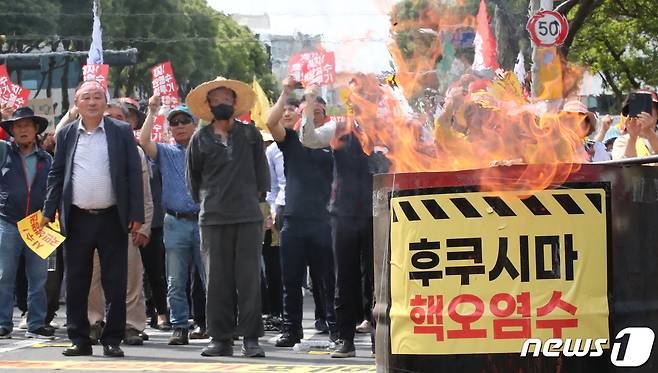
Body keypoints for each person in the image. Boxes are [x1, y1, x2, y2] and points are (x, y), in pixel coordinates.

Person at [40, 80, 145, 358]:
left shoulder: (121, 131)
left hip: (113, 217)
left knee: (115, 281)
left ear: (105, 102)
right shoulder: (66, 135)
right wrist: (48, 210)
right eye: (86, 97)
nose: (92, 102)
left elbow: (133, 174)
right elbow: (57, 174)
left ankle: (113, 339)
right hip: (77, 219)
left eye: (98, 97)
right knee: (76, 281)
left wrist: (136, 215)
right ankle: (79, 338)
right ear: (77, 104)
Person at [300, 84, 390, 358]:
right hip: (343, 213)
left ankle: (381, 342)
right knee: (345, 279)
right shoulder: (339, 127)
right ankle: (345, 340)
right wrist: (309, 103)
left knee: (379, 282)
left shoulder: (389, 129)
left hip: (378, 214)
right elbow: (309, 139)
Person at [185, 77, 268, 357]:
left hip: (247, 216)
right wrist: (210, 202)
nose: (221, 103)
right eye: (216, 99)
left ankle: (251, 339)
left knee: (248, 280)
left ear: (235, 102)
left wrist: (256, 205)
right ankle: (220, 339)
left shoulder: (251, 134)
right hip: (213, 218)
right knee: (217, 280)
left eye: (226, 98)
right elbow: (192, 180)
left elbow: (262, 177)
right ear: (209, 105)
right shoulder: (200, 137)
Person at [266, 77, 337, 348]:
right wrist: (286, 92)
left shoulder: (332, 143)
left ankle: (335, 327)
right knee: (291, 280)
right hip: (293, 220)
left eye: (317, 112)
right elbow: (271, 123)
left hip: (322, 220)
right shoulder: (291, 141)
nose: (312, 115)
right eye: (307, 111)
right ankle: (291, 330)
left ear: (324, 116)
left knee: (327, 280)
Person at [85, 100, 154, 346]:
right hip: (93, 222)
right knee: (92, 277)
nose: (113, 121)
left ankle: (132, 325)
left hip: (126, 224)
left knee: (131, 278)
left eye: (118, 117)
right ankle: (94, 322)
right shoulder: (89, 144)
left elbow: (145, 193)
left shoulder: (134, 151)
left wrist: (144, 226)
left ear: (127, 123)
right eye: (108, 116)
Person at [139, 98, 205, 345]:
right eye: (174, 123)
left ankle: (215, 325)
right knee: (175, 280)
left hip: (203, 221)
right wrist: (152, 111)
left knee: (210, 278)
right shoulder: (165, 152)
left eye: (184, 121)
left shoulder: (205, 149)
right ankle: (179, 326)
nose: (179, 126)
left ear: (195, 124)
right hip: (174, 222)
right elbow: (144, 142)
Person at [0, 107, 54, 340]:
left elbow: (54, 189)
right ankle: (2, 323)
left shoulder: (47, 158)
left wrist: (49, 214)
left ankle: (36, 323)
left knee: (39, 277)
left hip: (38, 224)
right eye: (17, 126)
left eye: (27, 126)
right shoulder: (3, 152)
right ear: (11, 131)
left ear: (36, 130)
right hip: (7, 222)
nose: (22, 130)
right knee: (4, 276)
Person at [611, 90, 658, 160]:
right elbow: (625, 168)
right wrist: (632, 138)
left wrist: (648, 132)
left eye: (648, 106)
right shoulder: (622, 141)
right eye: (638, 106)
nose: (643, 111)